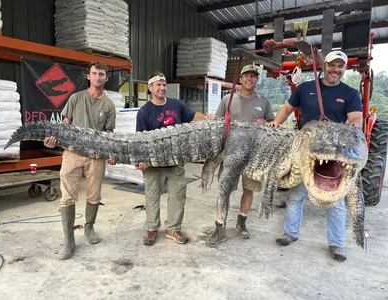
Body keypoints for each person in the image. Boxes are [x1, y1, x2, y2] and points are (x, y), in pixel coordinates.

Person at [266, 50, 362, 262]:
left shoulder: (350, 93)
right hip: (307, 151)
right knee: (296, 194)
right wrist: (276, 122)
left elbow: (356, 120)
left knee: (335, 201)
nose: (336, 70)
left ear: (344, 69)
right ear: (324, 66)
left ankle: (336, 244)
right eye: (332, 65)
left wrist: (349, 132)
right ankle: (290, 233)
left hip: (334, 154)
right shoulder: (306, 88)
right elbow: (287, 108)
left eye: (340, 66)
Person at [44, 61, 117, 260]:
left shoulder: (108, 105)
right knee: (67, 196)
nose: (98, 77)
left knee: (94, 195)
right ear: (88, 76)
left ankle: (89, 227)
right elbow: (64, 126)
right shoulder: (76, 99)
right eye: (95, 73)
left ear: (106, 78)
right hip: (73, 154)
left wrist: (111, 152)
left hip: (96, 156)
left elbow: (109, 133)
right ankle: (69, 240)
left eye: (102, 74)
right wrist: (53, 140)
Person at [136, 71, 213, 246]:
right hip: (153, 165)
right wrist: (141, 161)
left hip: (175, 162)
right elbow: (139, 140)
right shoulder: (144, 112)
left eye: (164, 85)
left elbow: (193, 116)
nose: (162, 87)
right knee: (152, 197)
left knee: (178, 196)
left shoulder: (176, 105)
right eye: (158, 85)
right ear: (150, 87)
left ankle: (173, 228)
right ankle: (151, 229)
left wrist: (208, 118)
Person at [206, 64, 275, 247]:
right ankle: (220, 226)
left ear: (257, 80)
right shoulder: (228, 99)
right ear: (241, 79)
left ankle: (241, 222)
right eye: (246, 76)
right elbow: (218, 124)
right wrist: (212, 119)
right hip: (230, 154)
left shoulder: (264, 102)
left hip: (254, 155)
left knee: (249, 189)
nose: (249, 79)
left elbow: (272, 124)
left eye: (253, 76)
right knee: (224, 190)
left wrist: (266, 122)